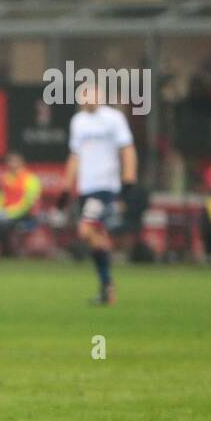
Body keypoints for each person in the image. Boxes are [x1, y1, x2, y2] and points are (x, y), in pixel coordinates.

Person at [60, 85, 137, 305]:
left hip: (105, 186)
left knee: (85, 230)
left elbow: (127, 149)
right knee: (96, 237)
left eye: (91, 95)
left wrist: (129, 179)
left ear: (100, 96)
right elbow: (75, 156)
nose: (88, 100)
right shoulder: (78, 122)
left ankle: (107, 280)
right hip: (86, 187)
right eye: (83, 96)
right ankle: (106, 288)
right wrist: (67, 187)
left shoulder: (113, 119)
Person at [0, 153, 41, 258]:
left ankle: (10, 252)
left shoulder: (31, 179)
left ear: (22, 163)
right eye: (10, 161)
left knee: (4, 225)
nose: (12, 164)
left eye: (15, 161)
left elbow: (27, 203)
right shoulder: (4, 179)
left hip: (26, 215)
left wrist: (8, 213)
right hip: (5, 214)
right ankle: (6, 251)